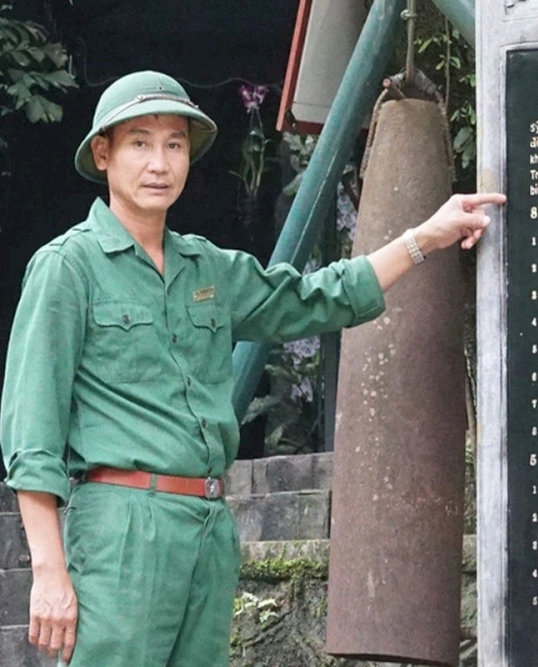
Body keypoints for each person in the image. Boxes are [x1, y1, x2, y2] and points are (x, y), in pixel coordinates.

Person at [0, 70, 505, 666]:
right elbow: (32, 435)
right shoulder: (68, 268)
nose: (158, 162)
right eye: (139, 142)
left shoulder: (209, 268)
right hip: (121, 530)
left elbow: (322, 297)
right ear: (104, 154)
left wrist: (425, 235)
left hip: (209, 528)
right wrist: (50, 572)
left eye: (175, 144)